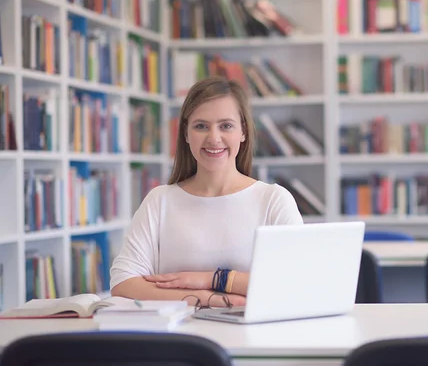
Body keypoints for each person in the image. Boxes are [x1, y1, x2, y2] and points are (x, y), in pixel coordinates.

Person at [110, 76, 304, 307]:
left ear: (243, 132)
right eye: (201, 126)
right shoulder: (159, 200)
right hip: (178, 340)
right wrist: (209, 298)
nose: (214, 138)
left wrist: (213, 278)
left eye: (226, 126)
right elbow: (124, 284)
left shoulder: (273, 200)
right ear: (185, 133)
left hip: (252, 339)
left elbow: (296, 284)